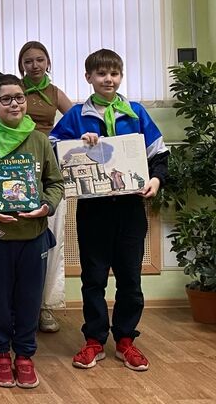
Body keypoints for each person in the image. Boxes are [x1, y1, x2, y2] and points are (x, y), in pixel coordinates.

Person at [50, 49, 168, 373]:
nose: (108, 79)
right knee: (93, 278)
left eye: (114, 73)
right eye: (101, 74)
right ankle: (94, 340)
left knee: (130, 278)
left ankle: (126, 339)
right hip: (93, 210)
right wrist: (79, 143)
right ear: (88, 77)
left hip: (130, 209)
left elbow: (159, 155)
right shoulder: (76, 115)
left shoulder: (136, 112)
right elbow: (53, 149)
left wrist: (156, 181)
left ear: (121, 76)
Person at [0, 74, 64, 389]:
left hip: (33, 234)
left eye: (19, 97)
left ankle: (24, 354)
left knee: (29, 299)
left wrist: (46, 207)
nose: (14, 104)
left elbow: (55, 183)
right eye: (6, 99)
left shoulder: (40, 140)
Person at [17, 41, 74, 333]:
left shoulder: (55, 93)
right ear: (21, 65)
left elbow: (75, 120)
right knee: (20, 240)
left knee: (51, 239)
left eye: (40, 59)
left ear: (48, 62)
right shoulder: (15, 91)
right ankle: (19, 307)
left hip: (48, 165)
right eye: (28, 61)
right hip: (18, 166)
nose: (35, 65)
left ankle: (46, 307)